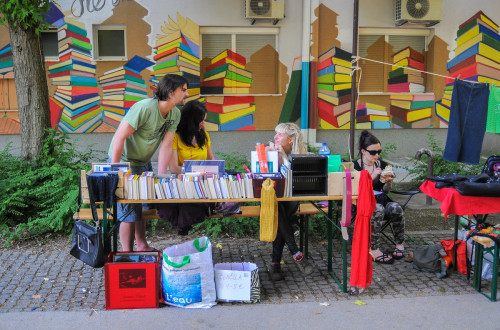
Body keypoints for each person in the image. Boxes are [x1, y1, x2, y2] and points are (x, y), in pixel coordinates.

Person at [109, 74, 189, 251]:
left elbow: (166, 146)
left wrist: (160, 176)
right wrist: (115, 170)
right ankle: (127, 253)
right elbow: (119, 138)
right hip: (124, 162)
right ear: (169, 92)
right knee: (128, 209)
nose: (187, 93)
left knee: (143, 208)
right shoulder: (144, 108)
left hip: (143, 162)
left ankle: (142, 245)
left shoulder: (175, 114)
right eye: (183, 90)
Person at [157, 100, 214, 235]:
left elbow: (212, 160)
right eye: (201, 120)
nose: (203, 123)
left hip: (201, 183)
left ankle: (184, 225)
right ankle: (183, 225)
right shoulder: (175, 137)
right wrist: (196, 171)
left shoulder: (204, 135)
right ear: (191, 120)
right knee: (183, 201)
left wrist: (210, 169)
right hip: (182, 182)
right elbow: (174, 168)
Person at [266, 123, 314, 280]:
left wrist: (283, 158)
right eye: (276, 134)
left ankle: (275, 264)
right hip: (271, 198)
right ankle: (295, 253)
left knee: (280, 212)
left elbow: (297, 182)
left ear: (291, 140)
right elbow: (267, 179)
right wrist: (272, 158)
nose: (275, 137)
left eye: (279, 135)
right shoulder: (269, 152)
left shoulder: (302, 155)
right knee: (277, 206)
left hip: (291, 199)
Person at [353, 130, 404, 264]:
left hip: (380, 199)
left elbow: (385, 191)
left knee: (396, 208)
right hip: (362, 203)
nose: (376, 155)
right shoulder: (355, 166)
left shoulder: (380, 165)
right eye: (373, 152)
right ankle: (373, 248)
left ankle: (399, 243)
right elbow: (356, 189)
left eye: (379, 152)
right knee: (378, 209)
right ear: (363, 151)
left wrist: (388, 181)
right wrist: (373, 176)